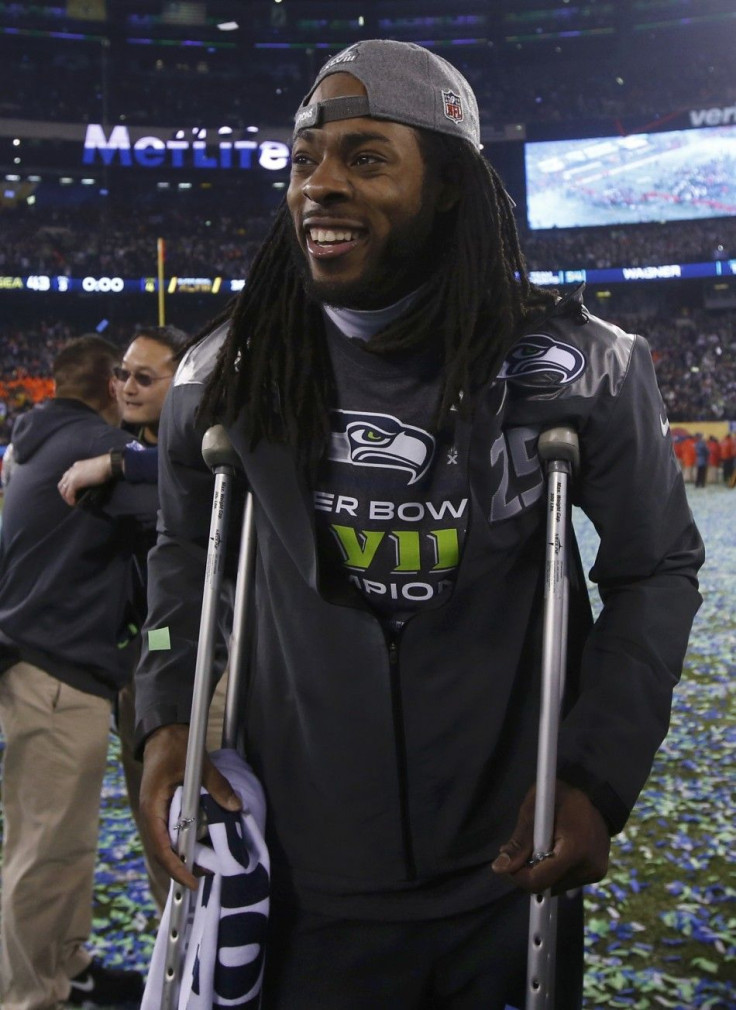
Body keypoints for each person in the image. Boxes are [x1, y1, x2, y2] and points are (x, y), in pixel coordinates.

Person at [136, 40, 705, 1010]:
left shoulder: (584, 367)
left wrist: (598, 768)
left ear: (447, 185)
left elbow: (655, 565)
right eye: (305, 158)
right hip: (302, 863)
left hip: (503, 859)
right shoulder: (221, 374)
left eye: (364, 158)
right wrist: (162, 720)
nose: (319, 185)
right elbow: (185, 552)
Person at [0, 335, 152, 1010]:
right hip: (61, 672)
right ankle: (31, 996)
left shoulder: (36, 439)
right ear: (110, 387)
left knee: (54, 842)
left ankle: (67, 966)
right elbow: (186, 515)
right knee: (49, 851)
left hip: (39, 662)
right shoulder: (87, 450)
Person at [58, 324, 190, 915]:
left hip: (209, 659)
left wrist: (116, 464)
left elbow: (186, 474)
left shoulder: (206, 446)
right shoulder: (125, 450)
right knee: (154, 820)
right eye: (121, 375)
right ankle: (176, 952)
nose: (126, 387)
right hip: (146, 655)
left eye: (143, 376)